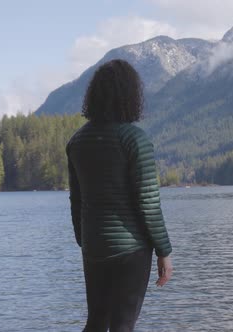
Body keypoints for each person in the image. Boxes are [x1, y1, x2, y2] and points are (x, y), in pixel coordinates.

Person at [66, 59, 173, 332]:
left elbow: (76, 200)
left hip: (93, 245)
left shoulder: (77, 141)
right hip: (131, 249)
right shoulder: (134, 139)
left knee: (96, 320)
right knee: (123, 324)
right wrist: (164, 251)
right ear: (130, 96)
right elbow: (148, 203)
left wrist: (84, 239)